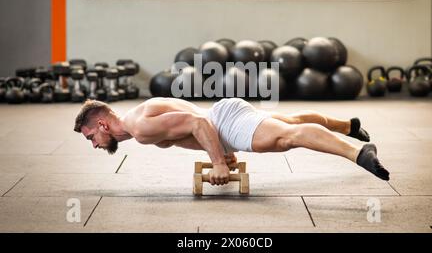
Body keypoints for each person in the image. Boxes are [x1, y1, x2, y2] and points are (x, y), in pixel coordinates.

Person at [74, 98, 389, 185]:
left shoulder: (140, 126)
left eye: (91, 137)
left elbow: (198, 124)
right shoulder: (137, 121)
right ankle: (349, 126)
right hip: (224, 118)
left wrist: (219, 162)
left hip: (223, 122)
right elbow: (189, 131)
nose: (94, 144)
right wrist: (221, 152)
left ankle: (359, 152)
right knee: (290, 121)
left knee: (286, 138)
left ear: (101, 123)